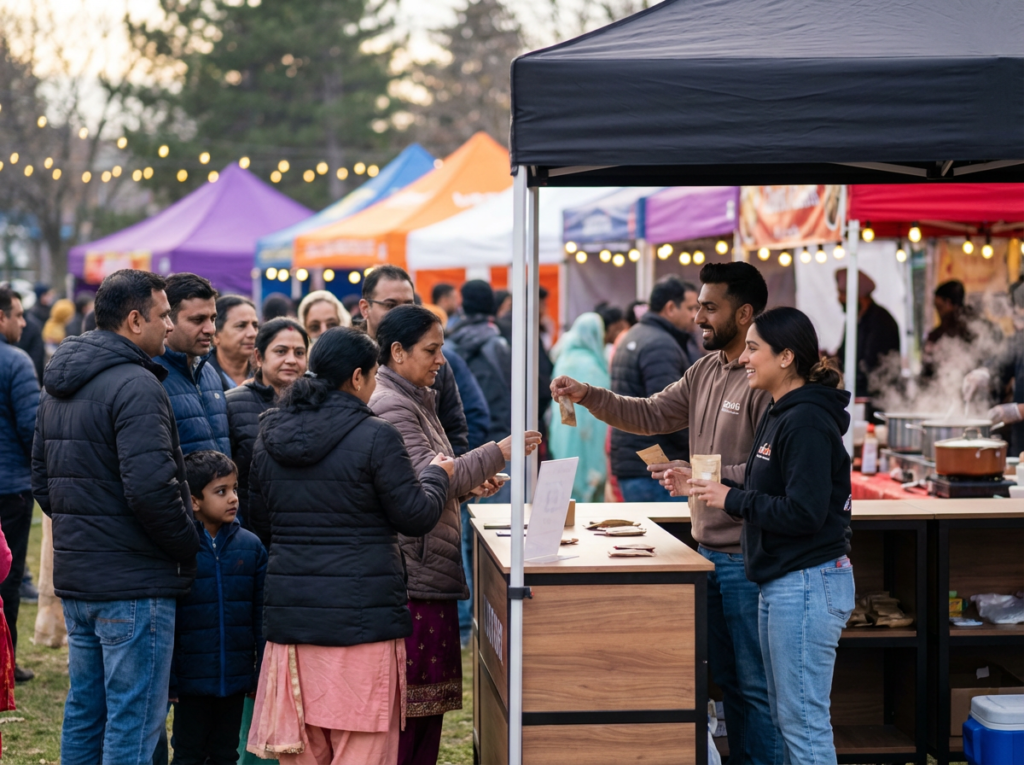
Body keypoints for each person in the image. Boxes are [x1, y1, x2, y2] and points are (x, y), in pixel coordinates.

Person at [551, 262, 779, 763]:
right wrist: (589, 396)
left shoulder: (765, 376)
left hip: (748, 558)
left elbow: (770, 470)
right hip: (708, 555)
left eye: (709, 307)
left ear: (744, 314)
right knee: (729, 686)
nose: (696, 315)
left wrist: (701, 478)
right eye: (697, 305)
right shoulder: (705, 369)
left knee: (755, 689)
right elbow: (651, 413)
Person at [246, 327, 454, 765]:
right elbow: (414, 515)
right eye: (376, 375)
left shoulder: (269, 434)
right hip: (364, 622)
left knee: (303, 751)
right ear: (357, 377)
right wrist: (438, 476)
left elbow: (259, 520)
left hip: (293, 621)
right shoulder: (376, 436)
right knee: (363, 750)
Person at [32, 269, 201, 764]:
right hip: (133, 584)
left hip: (84, 579)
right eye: (164, 314)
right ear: (133, 320)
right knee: (132, 722)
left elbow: (45, 483)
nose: (169, 326)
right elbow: (152, 489)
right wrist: (186, 541)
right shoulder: (137, 384)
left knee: (86, 712)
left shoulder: (59, 381)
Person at [676, 307, 854, 764]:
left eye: (755, 349)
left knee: (803, 724)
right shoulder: (781, 412)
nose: (746, 359)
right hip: (784, 582)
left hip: (808, 583)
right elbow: (763, 484)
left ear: (787, 357)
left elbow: (804, 513)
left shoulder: (807, 421)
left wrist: (728, 499)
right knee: (787, 717)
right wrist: (705, 484)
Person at [369, 306, 540, 765]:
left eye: (441, 348)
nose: (441, 359)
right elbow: (427, 477)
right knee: (411, 711)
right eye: (432, 349)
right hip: (414, 571)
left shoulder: (415, 397)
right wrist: (498, 452)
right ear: (398, 351)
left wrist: (466, 485)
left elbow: (432, 480)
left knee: (427, 708)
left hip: (428, 566)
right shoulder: (390, 404)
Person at [171, 450, 267, 765]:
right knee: (188, 753)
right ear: (194, 501)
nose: (232, 499)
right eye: (221, 491)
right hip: (190, 681)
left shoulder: (251, 548)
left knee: (227, 753)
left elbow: (260, 616)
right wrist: (171, 678)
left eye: (235, 489)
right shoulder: (179, 549)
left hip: (236, 678)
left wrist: (260, 671)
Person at [359, 265, 470, 456]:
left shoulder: (437, 363)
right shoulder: (350, 357)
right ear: (365, 308)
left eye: (409, 304)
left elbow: (454, 429)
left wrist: (460, 477)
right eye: (390, 305)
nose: (401, 312)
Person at [610, 276, 700, 503]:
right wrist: (699, 452)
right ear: (670, 307)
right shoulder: (661, 344)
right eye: (691, 308)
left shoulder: (636, 334)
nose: (696, 316)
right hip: (656, 469)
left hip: (637, 463)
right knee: (667, 537)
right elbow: (668, 411)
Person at [226, 319, 308, 524]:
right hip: (250, 526)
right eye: (281, 351)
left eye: (299, 353)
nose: (291, 360)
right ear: (259, 357)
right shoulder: (232, 404)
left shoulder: (317, 404)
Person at [0, 284, 39, 683]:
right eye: (16, 313)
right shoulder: (15, 361)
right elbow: (32, 426)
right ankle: (4, 664)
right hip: (9, 486)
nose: (23, 322)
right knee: (6, 576)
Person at [153, 273, 232, 456]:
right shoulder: (151, 376)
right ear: (168, 320)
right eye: (198, 320)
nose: (210, 329)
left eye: (213, 319)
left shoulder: (209, 372)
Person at [548, 313, 610, 502]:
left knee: (569, 481)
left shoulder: (565, 357)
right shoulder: (590, 364)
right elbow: (598, 406)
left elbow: (563, 407)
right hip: (586, 432)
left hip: (565, 430)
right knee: (587, 483)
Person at [447, 280, 512, 444]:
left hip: (461, 436)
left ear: (464, 304)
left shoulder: (450, 342)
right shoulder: (501, 342)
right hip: (499, 436)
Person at [834, 268, 899, 412]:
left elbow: (871, 366)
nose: (839, 299)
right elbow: (842, 355)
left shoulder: (881, 321)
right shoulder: (852, 321)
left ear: (858, 295)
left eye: (842, 293)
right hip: (857, 398)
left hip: (878, 402)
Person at [210, 295, 260, 390]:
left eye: (255, 325)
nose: (252, 333)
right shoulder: (200, 376)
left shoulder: (265, 376)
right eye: (241, 326)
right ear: (216, 335)